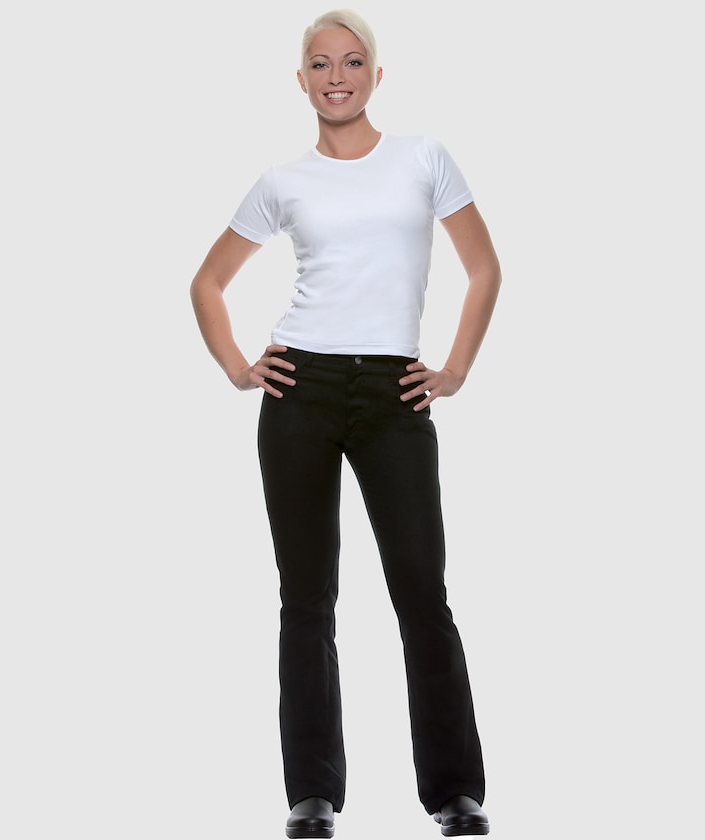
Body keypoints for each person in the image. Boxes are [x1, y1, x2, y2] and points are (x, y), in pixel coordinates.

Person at [190, 9, 502, 837]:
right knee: (306, 598)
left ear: (376, 75)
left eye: (353, 61)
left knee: (422, 591)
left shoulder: (423, 158)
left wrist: (455, 368)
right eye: (322, 64)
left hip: (397, 392)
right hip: (301, 389)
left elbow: (484, 268)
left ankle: (455, 792)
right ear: (301, 81)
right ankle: (313, 795)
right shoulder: (282, 181)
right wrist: (239, 366)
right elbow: (207, 283)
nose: (338, 76)